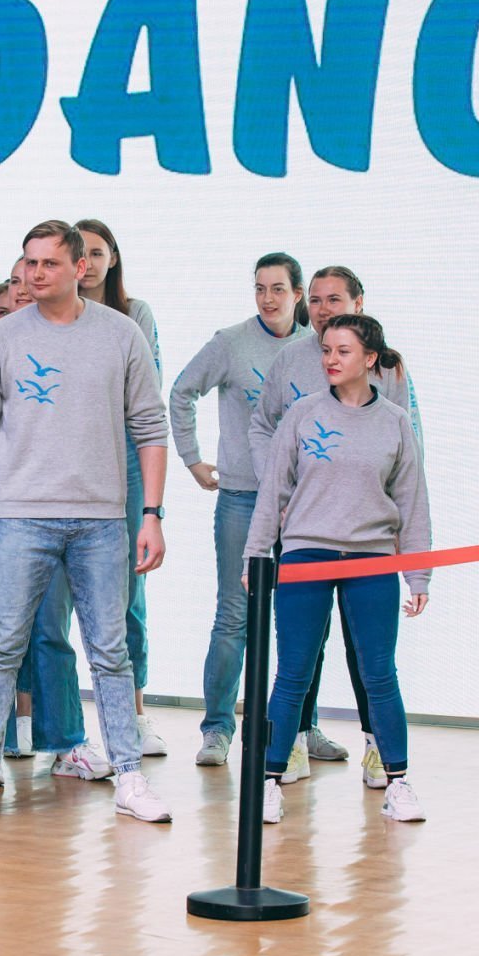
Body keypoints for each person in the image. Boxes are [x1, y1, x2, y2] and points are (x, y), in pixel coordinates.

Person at [0, 220, 172, 826]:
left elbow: (151, 427)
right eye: (30, 262)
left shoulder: (121, 334)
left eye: (49, 262)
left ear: (81, 268)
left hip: (102, 520)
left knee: (110, 652)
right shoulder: (0, 339)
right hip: (18, 518)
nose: (36, 273)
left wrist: (151, 514)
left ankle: (129, 776)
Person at [245, 313, 431, 825]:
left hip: (372, 558)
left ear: (369, 359)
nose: (330, 359)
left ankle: (397, 782)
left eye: (343, 351)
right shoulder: (302, 414)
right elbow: (273, 491)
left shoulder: (395, 421)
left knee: (379, 674)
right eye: (326, 350)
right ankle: (267, 781)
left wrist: (418, 574)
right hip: (306, 554)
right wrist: (256, 556)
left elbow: (413, 501)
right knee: (293, 674)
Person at [168, 253, 311, 767]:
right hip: (243, 497)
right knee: (234, 616)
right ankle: (217, 729)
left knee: (302, 621)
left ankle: (300, 728)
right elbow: (181, 391)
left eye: (278, 289)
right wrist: (192, 459)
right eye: (259, 288)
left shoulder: (317, 347)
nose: (268, 298)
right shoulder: (230, 343)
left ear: (298, 294)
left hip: (306, 504)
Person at [0, 259, 96, 777]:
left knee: (51, 628)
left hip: (47, 502)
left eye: (28, 281)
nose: (22, 290)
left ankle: (66, 744)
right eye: (13, 285)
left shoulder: (66, 345)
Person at [75, 218, 165, 755]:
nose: (88, 262)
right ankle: (62, 726)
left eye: (97, 252)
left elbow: (146, 396)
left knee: (128, 594)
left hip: (124, 459)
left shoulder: (135, 315)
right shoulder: (44, 314)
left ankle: (134, 714)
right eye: (79, 252)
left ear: (112, 258)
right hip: (69, 463)